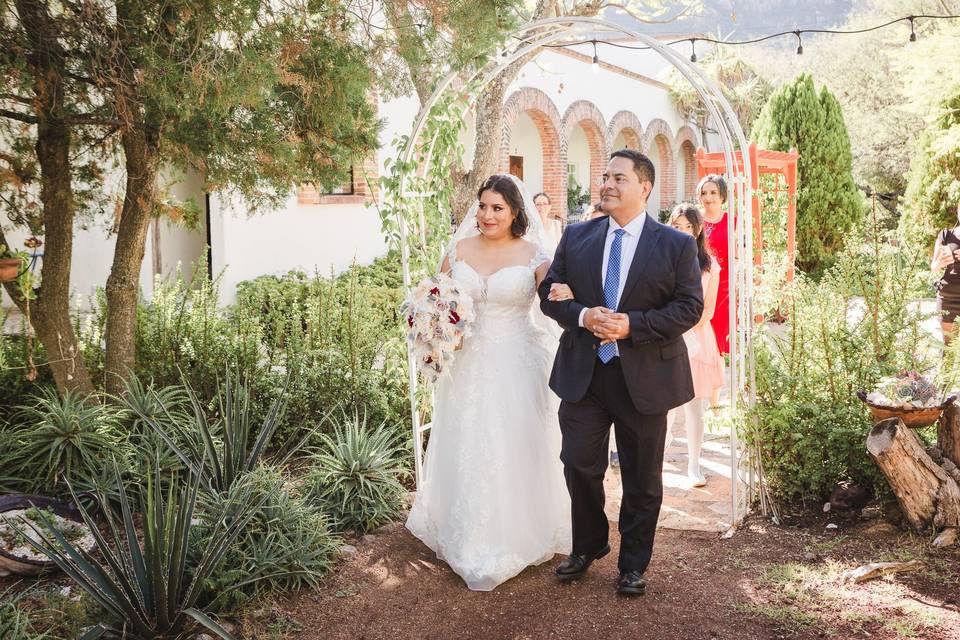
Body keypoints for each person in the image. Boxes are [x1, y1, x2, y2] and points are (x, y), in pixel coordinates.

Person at [539, 149, 703, 596]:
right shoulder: (577, 237)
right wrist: (582, 314)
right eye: (605, 176)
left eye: (618, 178)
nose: (607, 184)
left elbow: (689, 307)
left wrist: (633, 325)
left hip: (645, 377)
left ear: (645, 188)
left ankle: (633, 564)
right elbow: (548, 295)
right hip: (584, 375)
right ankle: (589, 545)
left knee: (641, 477)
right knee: (578, 463)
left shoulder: (676, 245)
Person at [406, 174, 571, 591]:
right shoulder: (458, 250)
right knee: (467, 441)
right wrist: (433, 330)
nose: (486, 214)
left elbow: (554, 302)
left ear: (516, 212)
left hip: (516, 361)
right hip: (466, 365)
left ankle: (517, 531)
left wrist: (573, 298)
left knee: (512, 443)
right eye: (482, 206)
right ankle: (464, 531)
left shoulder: (534, 253)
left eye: (497, 207)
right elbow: (438, 300)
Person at [668, 203, 725, 487]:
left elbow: (708, 311)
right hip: (666, 335)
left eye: (685, 227)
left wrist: (685, 330)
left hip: (697, 337)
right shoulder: (662, 259)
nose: (679, 231)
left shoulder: (709, 266)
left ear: (698, 230)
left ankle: (693, 464)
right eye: (675, 226)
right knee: (663, 405)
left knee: (694, 405)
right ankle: (657, 460)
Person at [697, 174, 733, 409]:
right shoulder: (696, 221)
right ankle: (697, 391)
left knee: (718, 344)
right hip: (699, 287)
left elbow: (739, 255)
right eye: (704, 193)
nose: (708, 198)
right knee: (700, 342)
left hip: (724, 291)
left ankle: (714, 400)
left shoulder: (733, 221)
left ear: (722, 195)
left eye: (713, 193)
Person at [932, 200, 960, 345]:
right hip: (947, 299)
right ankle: (945, 369)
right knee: (948, 346)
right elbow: (934, 267)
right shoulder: (945, 234)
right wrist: (941, 262)